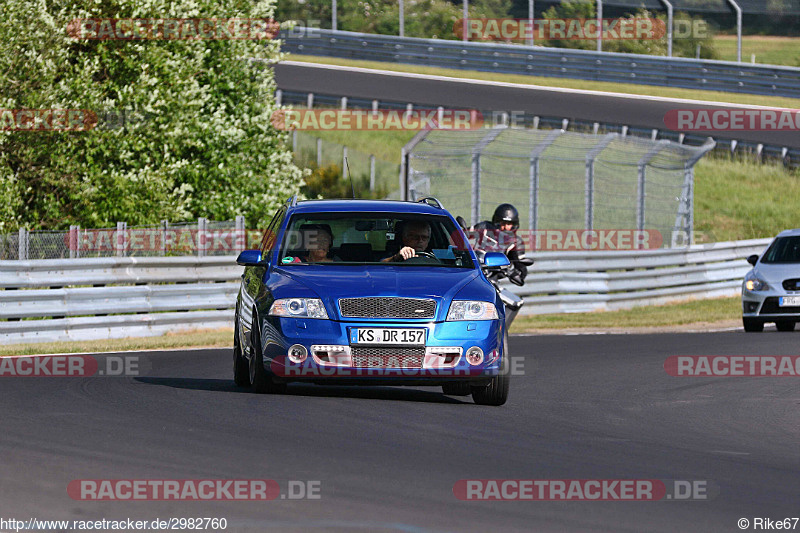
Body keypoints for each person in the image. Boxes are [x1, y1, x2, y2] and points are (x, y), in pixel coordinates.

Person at [471, 203, 529, 286]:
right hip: (474, 269)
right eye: (502, 223)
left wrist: (516, 273)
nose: (505, 227)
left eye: (508, 224)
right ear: (496, 222)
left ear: (514, 225)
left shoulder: (516, 242)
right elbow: (462, 235)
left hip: (492, 278)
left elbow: (519, 265)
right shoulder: (484, 227)